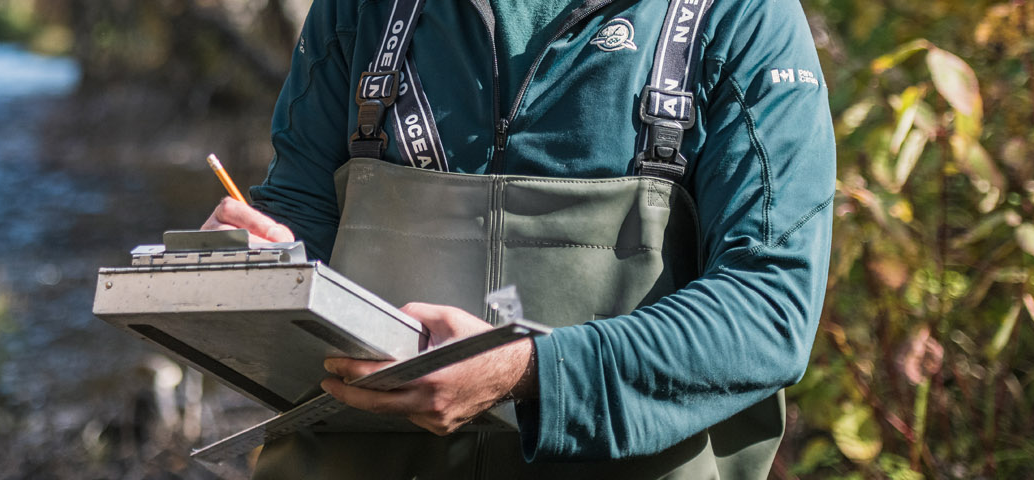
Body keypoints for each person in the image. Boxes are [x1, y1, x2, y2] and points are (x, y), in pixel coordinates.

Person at [202, 0, 834, 477]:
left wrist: (529, 373)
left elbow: (770, 309)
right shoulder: (360, 9)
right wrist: (251, 267)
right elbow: (297, 226)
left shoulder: (744, 16)